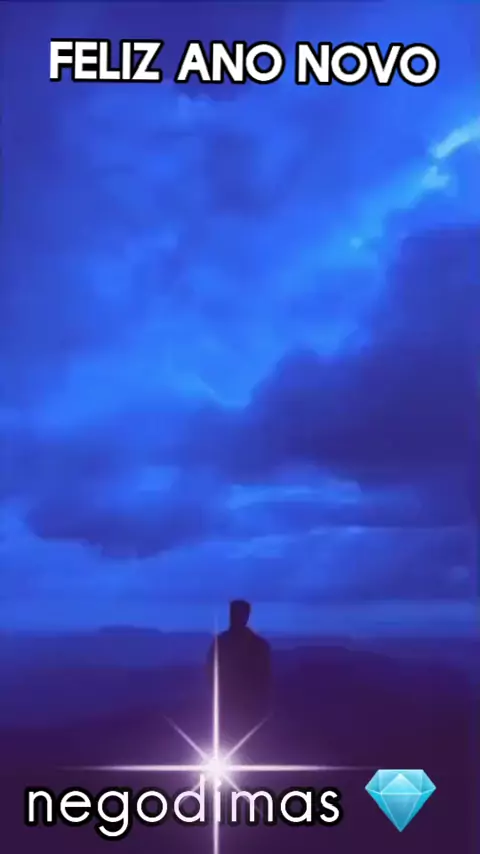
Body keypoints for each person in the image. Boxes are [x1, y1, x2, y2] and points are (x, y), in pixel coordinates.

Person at [207, 600, 272, 743]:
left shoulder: (257, 645)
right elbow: (210, 672)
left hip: (247, 705)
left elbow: (264, 677)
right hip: (229, 705)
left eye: (238, 613)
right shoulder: (221, 642)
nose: (234, 617)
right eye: (233, 613)